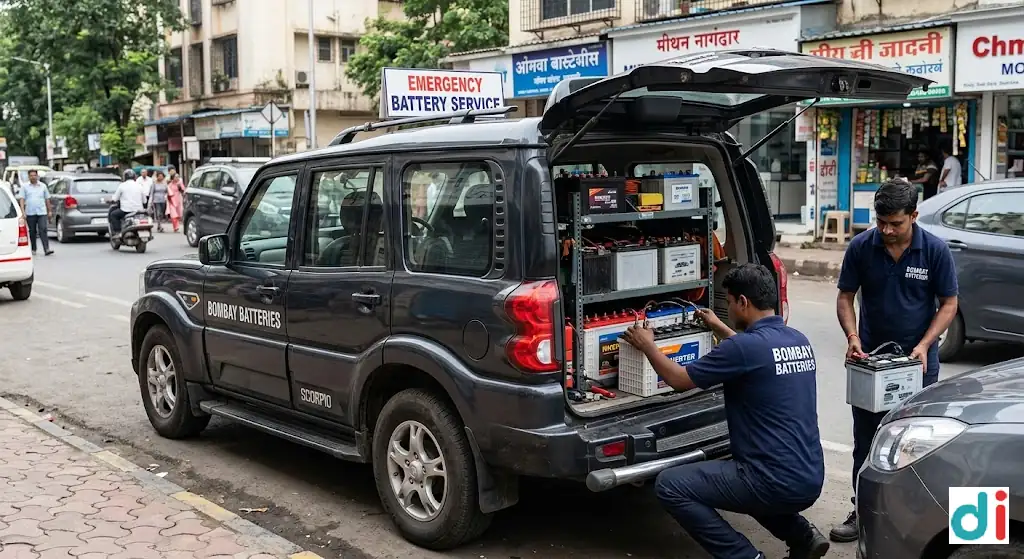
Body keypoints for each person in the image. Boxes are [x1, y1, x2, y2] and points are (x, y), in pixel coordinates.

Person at [621, 263, 829, 559]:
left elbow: (680, 381)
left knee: (671, 485)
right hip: (808, 475)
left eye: (729, 302)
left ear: (743, 302)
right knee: (746, 481)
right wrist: (719, 327)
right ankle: (804, 538)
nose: (728, 308)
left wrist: (648, 346)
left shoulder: (744, 349)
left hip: (771, 480)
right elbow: (754, 353)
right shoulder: (797, 339)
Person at [829, 178, 959, 543]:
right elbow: (845, 297)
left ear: (914, 216)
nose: (886, 230)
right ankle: (863, 511)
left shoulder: (934, 250)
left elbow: (949, 303)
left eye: (895, 223)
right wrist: (852, 338)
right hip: (871, 364)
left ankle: (915, 519)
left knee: (916, 442)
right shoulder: (861, 247)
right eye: (881, 221)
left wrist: (925, 344)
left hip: (918, 364)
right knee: (867, 441)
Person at [15, 169, 53, 255]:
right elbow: (22, 199)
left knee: (43, 229)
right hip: (30, 212)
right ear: (29, 177)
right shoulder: (25, 187)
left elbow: (47, 199)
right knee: (32, 231)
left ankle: (46, 249)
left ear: (37, 176)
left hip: (41, 212)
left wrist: (49, 211)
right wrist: (23, 212)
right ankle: (33, 249)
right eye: (31, 175)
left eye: (34, 175)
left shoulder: (43, 186)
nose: (33, 177)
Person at [111, 169, 147, 234]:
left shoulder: (122, 185)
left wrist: (111, 200)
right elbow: (144, 201)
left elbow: (115, 199)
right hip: (138, 211)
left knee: (113, 215)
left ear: (124, 177)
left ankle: (118, 233)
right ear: (134, 177)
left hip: (126, 210)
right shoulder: (139, 186)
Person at [166, 167, 185, 232]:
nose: (177, 178)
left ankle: (177, 225)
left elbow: (183, 190)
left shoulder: (180, 183)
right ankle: (176, 227)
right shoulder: (170, 184)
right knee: (174, 215)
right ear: (173, 178)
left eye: (178, 177)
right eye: (176, 177)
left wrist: (180, 187)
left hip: (179, 199)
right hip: (172, 200)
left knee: (179, 214)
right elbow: (168, 192)